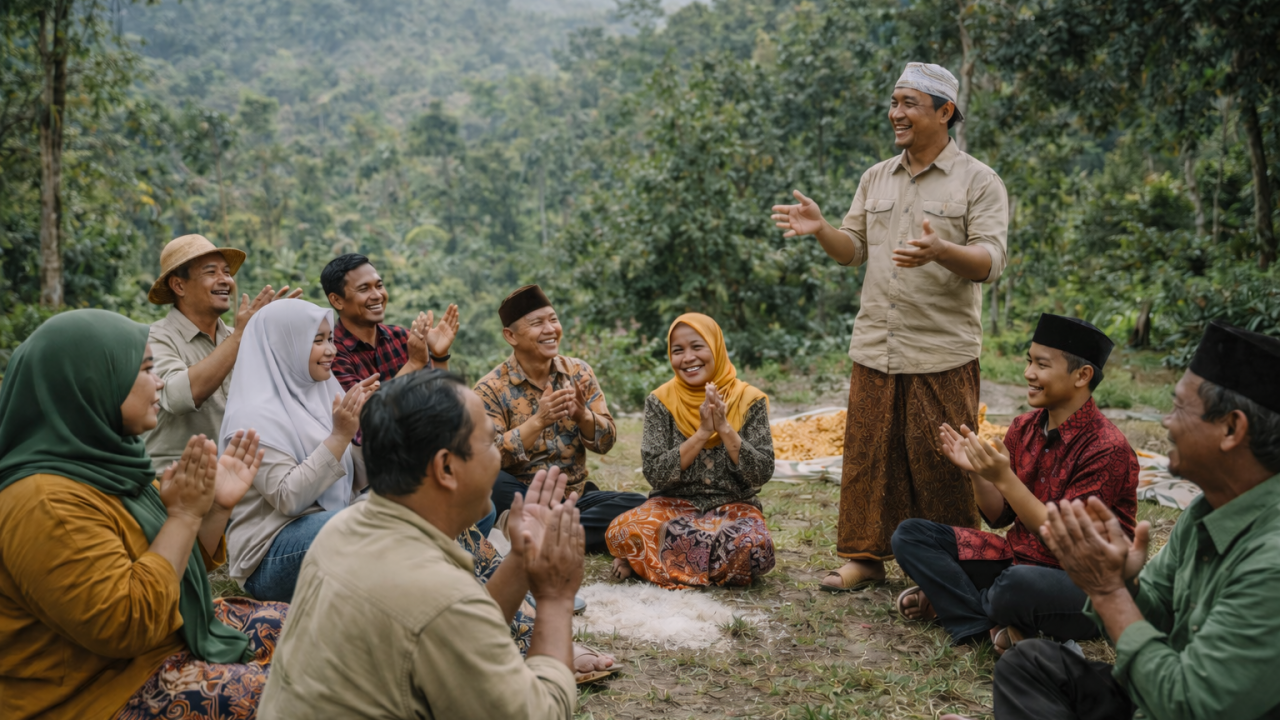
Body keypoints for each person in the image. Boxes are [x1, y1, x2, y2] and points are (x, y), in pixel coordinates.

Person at [943, 321, 1280, 720]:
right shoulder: (1204, 512)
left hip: (1182, 703)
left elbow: (1190, 705)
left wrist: (1107, 592)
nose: (1167, 423)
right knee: (1030, 664)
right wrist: (1124, 582)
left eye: (1179, 408)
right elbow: (1157, 615)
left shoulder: (1270, 562)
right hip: (1153, 691)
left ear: (1231, 428)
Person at [771, 62, 1009, 591]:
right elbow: (852, 250)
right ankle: (864, 557)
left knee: (943, 463)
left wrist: (943, 250)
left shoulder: (979, 180)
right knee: (869, 458)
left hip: (941, 349)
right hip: (875, 344)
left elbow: (991, 262)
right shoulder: (875, 177)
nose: (895, 113)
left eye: (909, 104)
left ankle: (948, 566)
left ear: (944, 112)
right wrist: (820, 229)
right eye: (894, 102)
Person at [0, 309, 285, 720]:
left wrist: (214, 508)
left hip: (162, 640)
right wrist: (183, 516)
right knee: (299, 691)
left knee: (310, 621)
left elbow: (171, 568)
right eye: (147, 370)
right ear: (93, 384)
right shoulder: (44, 501)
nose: (159, 383)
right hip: (98, 690)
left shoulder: (110, 464)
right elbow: (125, 627)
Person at [258, 371, 585, 719]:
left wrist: (521, 558)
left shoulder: (343, 528)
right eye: (491, 443)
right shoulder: (439, 597)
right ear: (446, 467)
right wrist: (554, 598)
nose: (497, 458)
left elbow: (461, 632)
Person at [892, 314, 1139, 652]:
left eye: (1041, 365)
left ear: (1083, 375)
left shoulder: (1107, 447)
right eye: (1028, 361)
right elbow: (1000, 517)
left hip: (1086, 584)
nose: (1028, 374)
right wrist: (979, 472)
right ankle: (986, 627)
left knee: (1015, 586)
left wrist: (1003, 477)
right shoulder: (1024, 427)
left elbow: (1063, 538)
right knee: (911, 536)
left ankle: (955, 604)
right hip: (1017, 560)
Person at [222, 299, 379, 602]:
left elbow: (352, 476)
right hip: (270, 554)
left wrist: (380, 430)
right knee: (368, 521)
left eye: (330, 338)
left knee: (419, 499)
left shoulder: (321, 394)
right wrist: (339, 436)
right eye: (317, 340)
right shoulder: (252, 416)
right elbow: (289, 498)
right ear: (284, 346)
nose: (331, 349)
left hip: (328, 526)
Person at [606, 313, 777, 588]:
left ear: (716, 347)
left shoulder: (749, 399)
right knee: (623, 530)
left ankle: (648, 562)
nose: (687, 358)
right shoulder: (660, 400)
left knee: (754, 546)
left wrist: (724, 426)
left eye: (697, 347)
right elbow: (655, 475)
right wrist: (701, 434)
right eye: (678, 350)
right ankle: (706, 567)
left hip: (733, 508)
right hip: (671, 508)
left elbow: (761, 474)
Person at [475, 284, 646, 552]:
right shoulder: (490, 388)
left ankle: (542, 534)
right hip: (521, 495)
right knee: (490, 482)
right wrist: (538, 421)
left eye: (553, 320)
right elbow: (486, 458)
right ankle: (557, 530)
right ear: (511, 335)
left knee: (640, 504)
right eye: (537, 323)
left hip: (573, 498)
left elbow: (606, 442)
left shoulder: (579, 373)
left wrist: (583, 416)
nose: (550, 329)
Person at [144, 233, 301, 474]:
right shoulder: (156, 338)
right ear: (179, 285)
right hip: (176, 482)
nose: (225, 280)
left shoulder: (239, 337)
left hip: (237, 482)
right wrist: (241, 337)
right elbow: (178, 397)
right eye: (211, 272)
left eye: (226, 272)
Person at [321, 252, 460, 389]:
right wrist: (413, 364)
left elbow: (440, 401)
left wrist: (439, 356)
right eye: (364, 289)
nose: (377, 295)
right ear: (337, 300)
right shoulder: (329, 354)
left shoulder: (403, 338)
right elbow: (365, 409)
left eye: (379, 286)